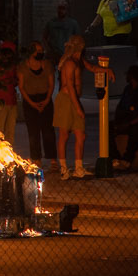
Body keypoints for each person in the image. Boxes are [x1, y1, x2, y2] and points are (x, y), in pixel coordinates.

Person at [53, 34, 89, 179]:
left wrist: (106, 70)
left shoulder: (78, 60)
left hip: (74, 100)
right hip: (67, 100)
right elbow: (70, 88)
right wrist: (78, 108)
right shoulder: (69, 63)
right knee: (64, 134)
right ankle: (64, 169)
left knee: (81, 134)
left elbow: (90, 66)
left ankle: (79, 168)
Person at [18, 40, 56, 168]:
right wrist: (32, 103)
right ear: (31, 53)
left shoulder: (47, 65)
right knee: (33, 132)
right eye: (38, 51)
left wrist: (46, 100)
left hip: (45, 98)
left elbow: (51, 84)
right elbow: (21, 87)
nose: (41, 53)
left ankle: (53, 159)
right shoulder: (23, 67)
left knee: (48, 131)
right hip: (30, 100)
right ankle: (36, 159)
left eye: (41, 51)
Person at [110, 65, 138, 170]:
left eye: (128, 74)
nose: (127, 77)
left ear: (133, 76)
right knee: (106, 128)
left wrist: (130, 123)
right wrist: (119, 122)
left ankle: (127, 160)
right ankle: (115, 158)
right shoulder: (128, 89)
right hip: (126, 119)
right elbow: (121, 106)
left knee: (136, 129)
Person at [42, 0, 79, 67]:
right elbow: (44, 37)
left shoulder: (73, 23)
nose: (61, 11)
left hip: (67, 54)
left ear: (67, 10)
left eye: (63, 8)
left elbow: (77, 39)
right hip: (54, 54)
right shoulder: (51, 23)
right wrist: (48, 50)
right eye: (59, 8)